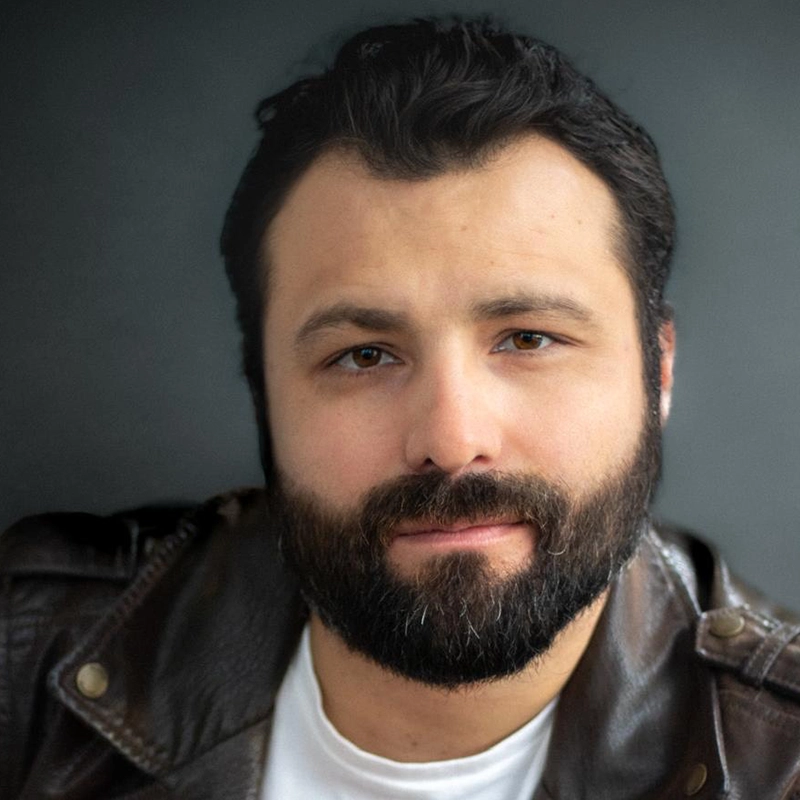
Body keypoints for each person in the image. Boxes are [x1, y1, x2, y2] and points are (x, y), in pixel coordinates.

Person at [2, 16, 799, 800]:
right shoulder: (26, 656)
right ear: (263, 391)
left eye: (528, 339)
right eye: (364, 355)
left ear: (656, 372)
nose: (451, 441)